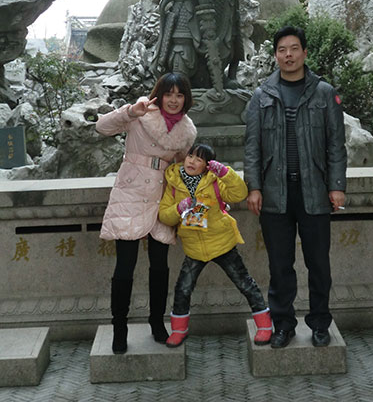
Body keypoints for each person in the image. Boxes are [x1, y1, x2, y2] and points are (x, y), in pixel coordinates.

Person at [244, 25, 347, 349]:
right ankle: (283, 325)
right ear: (275, 55)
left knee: (319, 264)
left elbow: (336, 145)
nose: (288, 55)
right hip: (275, 193)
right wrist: (254, 187)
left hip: (314, 192)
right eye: (281, 50)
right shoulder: (261, 95)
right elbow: (252, 147)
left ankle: (320, 323)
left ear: (304, 52)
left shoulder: (324, 93)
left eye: (293, 49)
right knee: (279, 265)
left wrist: (337, 185)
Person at [96, 73, 197, 354]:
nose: (173, 100)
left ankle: (157, 322)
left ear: (186, 99)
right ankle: (119, 327)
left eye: (179, 95)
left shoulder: (187, 131)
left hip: (162, 197)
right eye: (169, 94)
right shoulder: (141, 113)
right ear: (159, 95)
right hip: (130, 193)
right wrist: (129, 111)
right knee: (125, 266)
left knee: (160, 266)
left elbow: (185, 167)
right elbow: (102, 127)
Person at [158, 143, 272, 347]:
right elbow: (164, 215)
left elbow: (239, 194)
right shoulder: (174, 183)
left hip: (222, 243)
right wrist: (179, 208)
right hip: (193, 247)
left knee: (245, 283)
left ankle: (264, 325)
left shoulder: (215, 180)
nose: (192, 161)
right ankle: (178, 330)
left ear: (207, 165)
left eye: (199, 159)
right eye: (190, 156)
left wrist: (226, 173)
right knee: (183, 288)